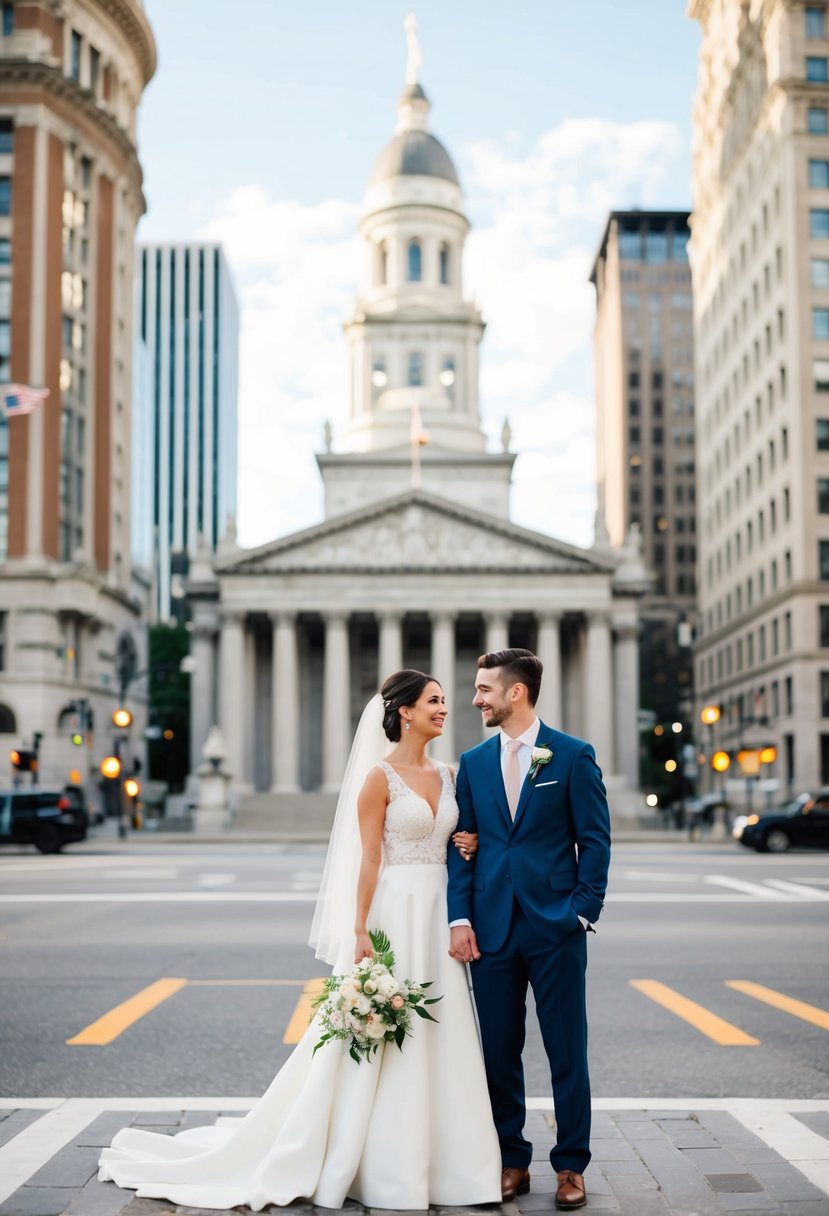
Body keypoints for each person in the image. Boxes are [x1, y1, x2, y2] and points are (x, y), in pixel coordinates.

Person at [98, 670, 501, 1211]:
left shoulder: (452, 774)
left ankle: (450, 1162)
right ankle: (379, 1159)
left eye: (444, 701)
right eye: (434, 701)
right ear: (404, 711)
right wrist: (360, 930)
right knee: (384, 1029)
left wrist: (467, 842)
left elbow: (457, 841)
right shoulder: (379, 779)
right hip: (393, 912)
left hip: (438, 911)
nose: (445, 708)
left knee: (443, 1029)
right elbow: (369, 860)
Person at [447, 648, 611, 1212]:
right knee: (498, 1052)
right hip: (490, 930)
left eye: (484, 689)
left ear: (516, 692)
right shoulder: (471, 762)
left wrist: (582, 911)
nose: (476, 699)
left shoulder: (571, 755)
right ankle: (511, 1159)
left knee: (568, 1049)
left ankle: (571, 1165)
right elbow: (463, 848)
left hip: (556, 926)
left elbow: (594, 839)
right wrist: (461, 918)